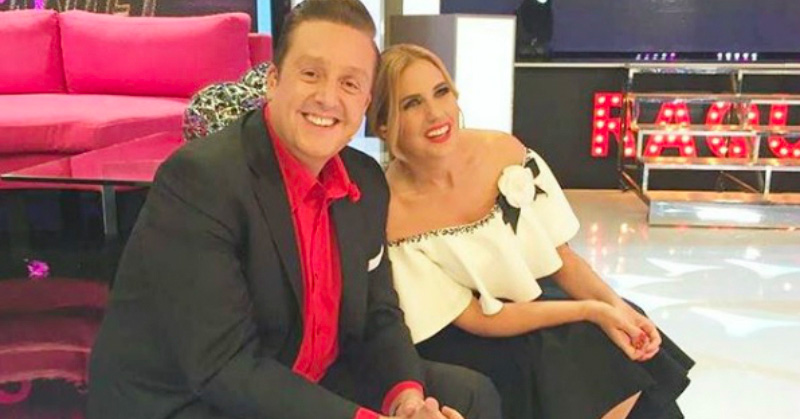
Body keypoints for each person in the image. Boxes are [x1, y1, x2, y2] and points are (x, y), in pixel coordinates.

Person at [87, 3, 502, 419]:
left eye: (350, 83)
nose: (327, 98)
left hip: (299, 373)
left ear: (365, 102)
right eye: (311, 74)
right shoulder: (201, 180)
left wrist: (408, 402)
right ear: (273, 80)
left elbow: (379, 315)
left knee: (468, 395)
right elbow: (224, 366)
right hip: (192, 397)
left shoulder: (366, 181)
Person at [367, 44, 695, 419]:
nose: (435, 113)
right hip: (465, 332)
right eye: (411, 104)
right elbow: (475, 318)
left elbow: (562, 258)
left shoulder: (503, 152)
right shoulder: (392, 211)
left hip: (528, 296)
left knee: (619, 326)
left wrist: (614, 308)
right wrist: (590, 311)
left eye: (441, 92)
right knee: (567, 347)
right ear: (384, 124)